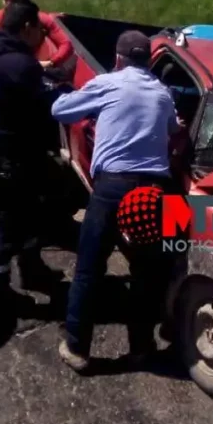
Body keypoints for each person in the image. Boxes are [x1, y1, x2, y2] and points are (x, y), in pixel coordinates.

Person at [51, 31, 181, 373]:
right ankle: (141, 347)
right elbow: (172, 128)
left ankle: (77, 348)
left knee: (90, 267)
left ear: (119, 59)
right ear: (149, 60)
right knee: (146, 272)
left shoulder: (107, 82)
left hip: (113, 187)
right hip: (156, 190)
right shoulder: (163, 93)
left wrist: (69, 91)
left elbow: (60, 111)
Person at [0, 1, 65, 310]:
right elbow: (45, 107)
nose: (41, 34)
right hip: (12, 159)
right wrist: (64, 94)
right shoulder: (20, 64)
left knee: (28, 217)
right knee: (5, 225)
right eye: (38, 28)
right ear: (26, 27)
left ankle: (33, 272)